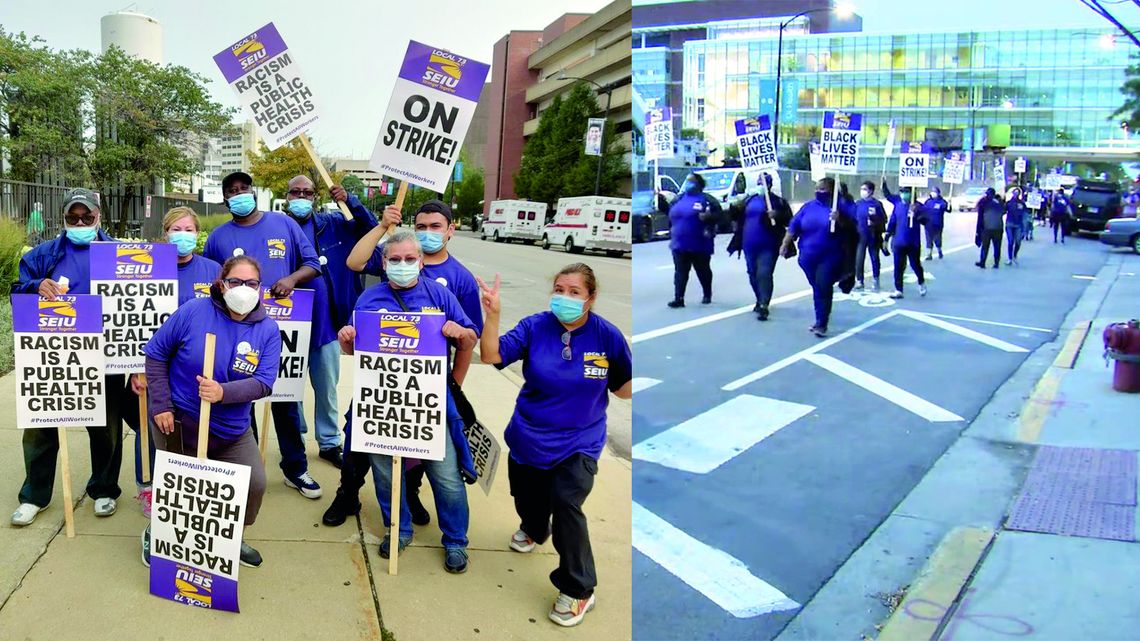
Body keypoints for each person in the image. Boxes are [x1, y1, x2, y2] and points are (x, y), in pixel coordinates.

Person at [476, 263, 632, 627]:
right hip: (530, 435)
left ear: (590, 298)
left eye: (574, 292)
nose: (564, 297)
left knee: (566, 503)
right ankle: (533, 527)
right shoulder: (535, 326)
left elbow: (624, 388)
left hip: (579, 441)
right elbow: (492, 355)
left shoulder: (607, 337)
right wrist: (493, 315)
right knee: (528, 500)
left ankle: (579, 588)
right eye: (559, 289)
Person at [325, 200, 480, 529]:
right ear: (385, 263)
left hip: (428, 394)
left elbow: (470, 338)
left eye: (410, 259)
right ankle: (351, 495)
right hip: (379, 394)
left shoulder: (449, 288)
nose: (403, 264)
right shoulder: (370, 297)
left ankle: (427, 512)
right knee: (357, 442)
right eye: (395, 260)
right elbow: (354, 348)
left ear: (421, 263)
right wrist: (347, 338)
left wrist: (456, 367)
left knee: (440, 468)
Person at [140, 256, 278, 568]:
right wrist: (160, 403)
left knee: (255, 484)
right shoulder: (193, 311)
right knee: (178, 489)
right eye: (235, 282)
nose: (243, 289)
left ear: (260, 288)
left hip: (231, 430)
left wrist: (222, 393)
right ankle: (159, 531)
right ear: (221, 284)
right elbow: (156, 353)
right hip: (177, 421)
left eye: (251, 283)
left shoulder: (268, 330)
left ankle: (230, 534)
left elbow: (264, 383)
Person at [10, 188, 132, 526]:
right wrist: (35, 287)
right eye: (72, 217)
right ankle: (34, 495)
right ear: (63, 220)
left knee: (105, 426)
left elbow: (139, 301)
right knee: (41, 427)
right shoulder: (41, 255)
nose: (79, 222)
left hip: (106, 353)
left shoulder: (119, 253)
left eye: (87, 217)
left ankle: (104, 489)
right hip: (53, 356)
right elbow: (16, 293)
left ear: (99, 218)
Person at [203, 171, 324, 499]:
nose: (239, 193)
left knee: (284, 400)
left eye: (244, 188)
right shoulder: (217, 237)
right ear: (225, 199)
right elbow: (213, 283)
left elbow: (313, 263)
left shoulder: (283, 224)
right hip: (238, 328)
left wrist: (292, 279)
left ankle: (295, 468)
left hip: (284, 326)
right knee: (242, 400)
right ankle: (247, 472)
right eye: (232, 190)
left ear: (253, 192)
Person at [280, 175, 386, 470]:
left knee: (326, 387)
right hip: (286, 325)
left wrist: (349, 201)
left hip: (327, 323)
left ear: (315, 197)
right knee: (290, 388)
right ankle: (295, 441)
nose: (301, 196)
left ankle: (328, 442)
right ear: (286, 195)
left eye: (307, 192)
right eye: (295, 191)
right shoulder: (277, 228)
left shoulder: (334, 223)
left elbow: (372, 230)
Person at [125, 207, 223, 518]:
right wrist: (134, 367)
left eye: (189, 229)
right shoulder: (148, 267)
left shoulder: (212, 269)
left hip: (197, 365)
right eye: (176, 229)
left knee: (192, 425)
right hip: (155, 363)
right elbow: (130, 318)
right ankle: (148, 486)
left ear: (197, 233)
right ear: (166, 233)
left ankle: (188, 486)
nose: (183, 235)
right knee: (152, 423)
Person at [781, 177, 854, 338]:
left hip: (830, 256)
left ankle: (821, 323)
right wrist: (785, 244)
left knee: (823, 286)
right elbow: (794, 226)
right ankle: (819, 316)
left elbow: (854, 227)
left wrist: (840, 219)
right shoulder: (808, 207)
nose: (819, 192)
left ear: (832, 191)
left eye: (823, 189)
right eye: (817, 188)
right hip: (807, 257)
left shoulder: (841, 206)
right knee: (817, 287)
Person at [727, 173, 792, 320]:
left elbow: (789, 220)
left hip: (769, 244)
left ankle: (764, 304)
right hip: (749, 244)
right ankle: (759, 298)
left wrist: (777, 215)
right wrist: (734, 205)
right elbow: (734, 216)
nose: (761, 186)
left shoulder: (778, 202)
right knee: (752, 273)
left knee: (764, 273)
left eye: (764, 183)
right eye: (759, 182)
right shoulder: (749, 200)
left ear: (769, 185)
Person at [659, 173, 720, 307]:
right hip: (679, 243)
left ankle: (707, 294)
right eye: (687, 181)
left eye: (691, 181)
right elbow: (669, 213)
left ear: (698, 184)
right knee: (680, 271)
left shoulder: (707, 200)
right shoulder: (678, 199)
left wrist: (709, 217)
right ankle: (679, 298)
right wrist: (661, 202)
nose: (688, 183)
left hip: (700, 243)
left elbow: (720, 216)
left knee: (702, 270)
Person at [882, 183, 928, 299]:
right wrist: (886, 238)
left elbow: (926, 221)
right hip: (898, 242)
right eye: (902, 191)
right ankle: (898, 289)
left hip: (913, 243)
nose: (903, 194)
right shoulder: (897, 205)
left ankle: (921, 282)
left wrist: (916, 214)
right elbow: (892, 222)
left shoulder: (918, 206)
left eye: (906, 192)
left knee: (915, 264)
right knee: (898, 266)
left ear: (912, 193)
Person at [853, 181, 887, 292]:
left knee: (874, 258)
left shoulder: (877, 204)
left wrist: (875, 222)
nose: (862, 191)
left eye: (865, 189)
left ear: (871, 191)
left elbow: (884, 219)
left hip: (873, 235)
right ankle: (859, 280)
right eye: (862, 189)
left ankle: (876, 278)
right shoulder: (858, 204)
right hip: (860, 236)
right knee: (859, 258)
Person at [975, 187, 1005, 268]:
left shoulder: (984, 202)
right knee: (997, 246)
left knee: (985, 246)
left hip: (987, 228)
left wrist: (978, 231)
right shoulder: (998, 202)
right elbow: (1004, 211)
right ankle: (996, 263)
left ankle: (983, 262)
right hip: (998, 228)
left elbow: (980, 216)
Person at [920, 186, 949, 260]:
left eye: (935, 192)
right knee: (928, 240)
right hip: (928, 224)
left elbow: (948, 209)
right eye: (932, 192)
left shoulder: (942, 202)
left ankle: (939, 250)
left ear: (938, 193)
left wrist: (949, 204)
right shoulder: (928, 201)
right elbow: (923, 210)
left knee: (937, 239)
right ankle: (929, 254)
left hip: (938, 225)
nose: (933, 193)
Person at [1005, 188, 1028, 265]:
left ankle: (1015, 255)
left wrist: (1025, 229)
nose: (1016, 194)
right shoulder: (1008, 203)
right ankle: (1010, 258)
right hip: (1009, 224)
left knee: (1018, 242)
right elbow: (1003, 210)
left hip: (1018, 225)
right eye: (1015, 193)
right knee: (1010, 241)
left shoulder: (1022, 203)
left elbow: (1025, 216)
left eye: (1017, 193)